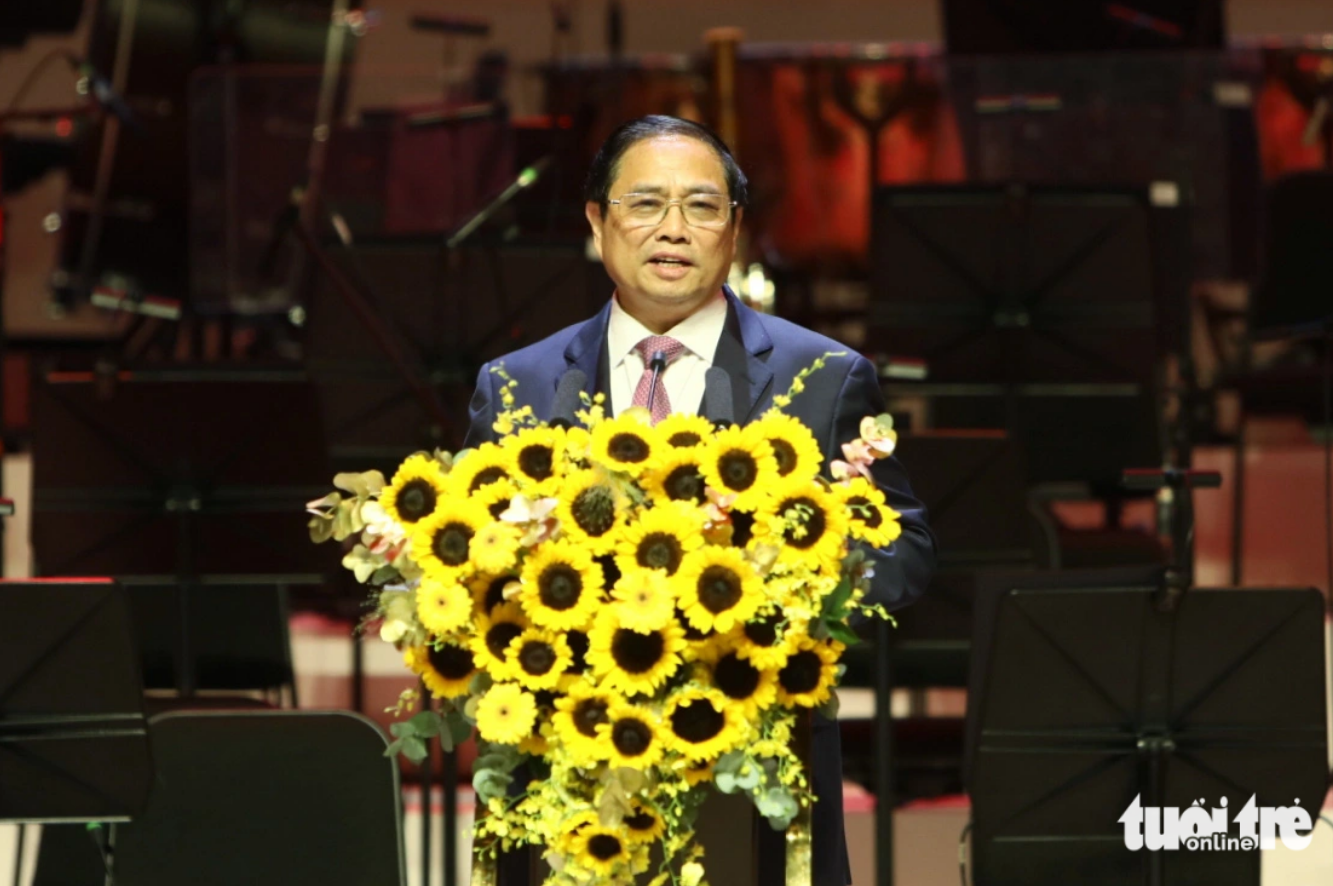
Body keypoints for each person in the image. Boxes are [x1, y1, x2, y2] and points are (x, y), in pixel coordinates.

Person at [465, 115, 936, 885]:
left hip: (753, 753)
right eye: (645, 204)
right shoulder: (517, 383)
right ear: (596, 220)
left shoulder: (819, 375)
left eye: (702, 207)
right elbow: (475, 570)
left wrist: (795, 582)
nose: (673, 229)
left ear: (734, 228)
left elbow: (905, 551)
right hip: (564, 765)